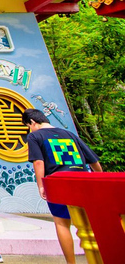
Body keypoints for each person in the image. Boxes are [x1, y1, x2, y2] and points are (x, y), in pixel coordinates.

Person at [23, 108, 102, 264]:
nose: (29, 129)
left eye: (28, 126)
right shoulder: (70, 134)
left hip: (58, 181)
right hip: (83, 179)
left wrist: (41, 185)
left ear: (32, 122)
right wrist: (99, 178)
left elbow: (39, 162)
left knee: (61, 223)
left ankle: (71, 262)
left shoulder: (35, 136)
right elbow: (93, 161)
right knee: (89, 223)